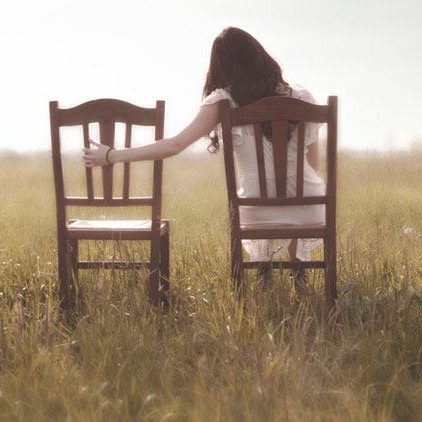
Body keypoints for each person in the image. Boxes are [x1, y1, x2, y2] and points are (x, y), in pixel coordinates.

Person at [82, 26, 326, 263]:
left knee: (268, 203)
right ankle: (297, 265)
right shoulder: (301, 97)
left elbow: (174, 145)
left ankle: (265, 267)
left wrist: (112, 155)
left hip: (257, 211)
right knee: (296, 196)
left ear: (222, 66)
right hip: (311, 206)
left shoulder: (224, 100)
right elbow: (312, 161)